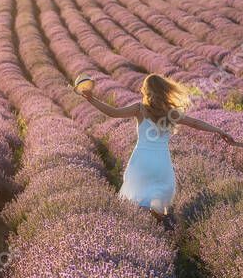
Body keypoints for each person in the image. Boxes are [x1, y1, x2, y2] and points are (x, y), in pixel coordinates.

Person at [76, 73, 232, 224]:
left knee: (138, 197)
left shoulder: (139, 109)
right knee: (159, 194)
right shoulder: (170, 113)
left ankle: (142, 231)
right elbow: (196, 123)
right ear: (164, 91)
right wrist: (220, 131)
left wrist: (92, 99)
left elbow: (113, 113)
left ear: (146, 90)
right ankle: (157, 216)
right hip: (160, 162)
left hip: (141, 162)